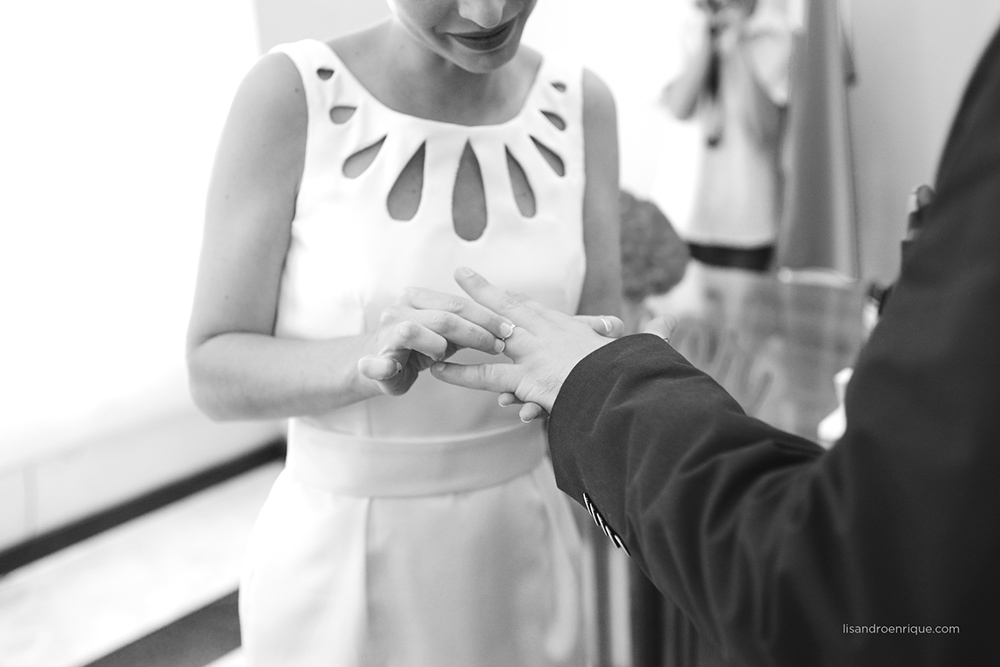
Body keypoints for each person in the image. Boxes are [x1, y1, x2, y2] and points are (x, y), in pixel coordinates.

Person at [430, 22, 1000, 663]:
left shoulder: (774, 38)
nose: (484, 13)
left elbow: (857, 595)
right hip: (694, 218)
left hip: (751, 228)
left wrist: (597, 382)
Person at [184, 0, 622, 663]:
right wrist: (363, 356)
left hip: (524, 547)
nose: (488, 11)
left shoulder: (583, 104)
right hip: (340, 564)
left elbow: (601, 350)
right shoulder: (291, 95)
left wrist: (611, 366)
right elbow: (212, 367)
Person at [661, 0, 793, 272]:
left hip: (749, 221)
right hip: (685, 216)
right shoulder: (687, 23)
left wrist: (740, 47)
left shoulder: (778, 33)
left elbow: (766, 130)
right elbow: (679, 107)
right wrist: (709, 42)